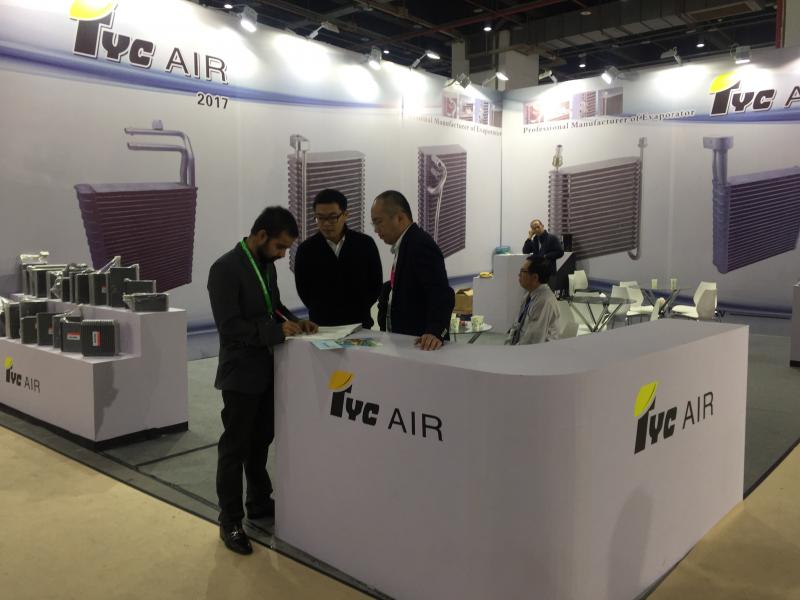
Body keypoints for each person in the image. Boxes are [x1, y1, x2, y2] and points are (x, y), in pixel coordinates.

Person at [207, 206, 318, 555]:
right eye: (279, 247)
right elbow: (229, 327)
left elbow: (274, 307)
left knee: (261, 441)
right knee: (235, 447)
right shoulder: (225, 269)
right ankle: (230, 520)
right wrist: (274, 331)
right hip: (240, 374)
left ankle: (258, 501)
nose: (282, 254)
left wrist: (296, 321)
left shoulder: (266, 265)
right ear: (260, 236)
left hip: (269, 369)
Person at [371, 190, 454, 351]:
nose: (376, 229)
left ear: (400, 218)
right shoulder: (405, 245)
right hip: (408, 342)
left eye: (378, 222)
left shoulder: (420, 244)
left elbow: (441, 293)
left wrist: (435, 331)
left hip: (423, 346)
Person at [294, 189, 382, 329]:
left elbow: (375, 285)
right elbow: (303, 290)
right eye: (320, 218)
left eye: (332, 217)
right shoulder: (306, 250)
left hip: (359, 325)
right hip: (322, 328)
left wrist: (358, 308)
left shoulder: (365, 244)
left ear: (345, 215)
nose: (326, 224)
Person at [506, 255, 561, 345]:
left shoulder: (543, 301)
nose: (519, 275)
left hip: (539, 351)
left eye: (523, 271)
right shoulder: (529, 295)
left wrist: (514, 351)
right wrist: (509, 344)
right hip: (521, 346)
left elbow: (533, 340)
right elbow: (517, 324)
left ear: (535, 277)